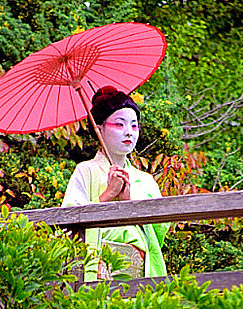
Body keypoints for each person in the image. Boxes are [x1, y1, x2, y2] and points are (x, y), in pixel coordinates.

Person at [62, 86, 169, 281]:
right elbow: (68, 226)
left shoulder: (146, 180)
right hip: (98, 266)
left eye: (134, 125)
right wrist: (106, 196)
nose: (129, 132)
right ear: (99, 128)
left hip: (140, 269)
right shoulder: (86, 171)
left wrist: (129, 205)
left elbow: (160, 232)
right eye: (119, 125)